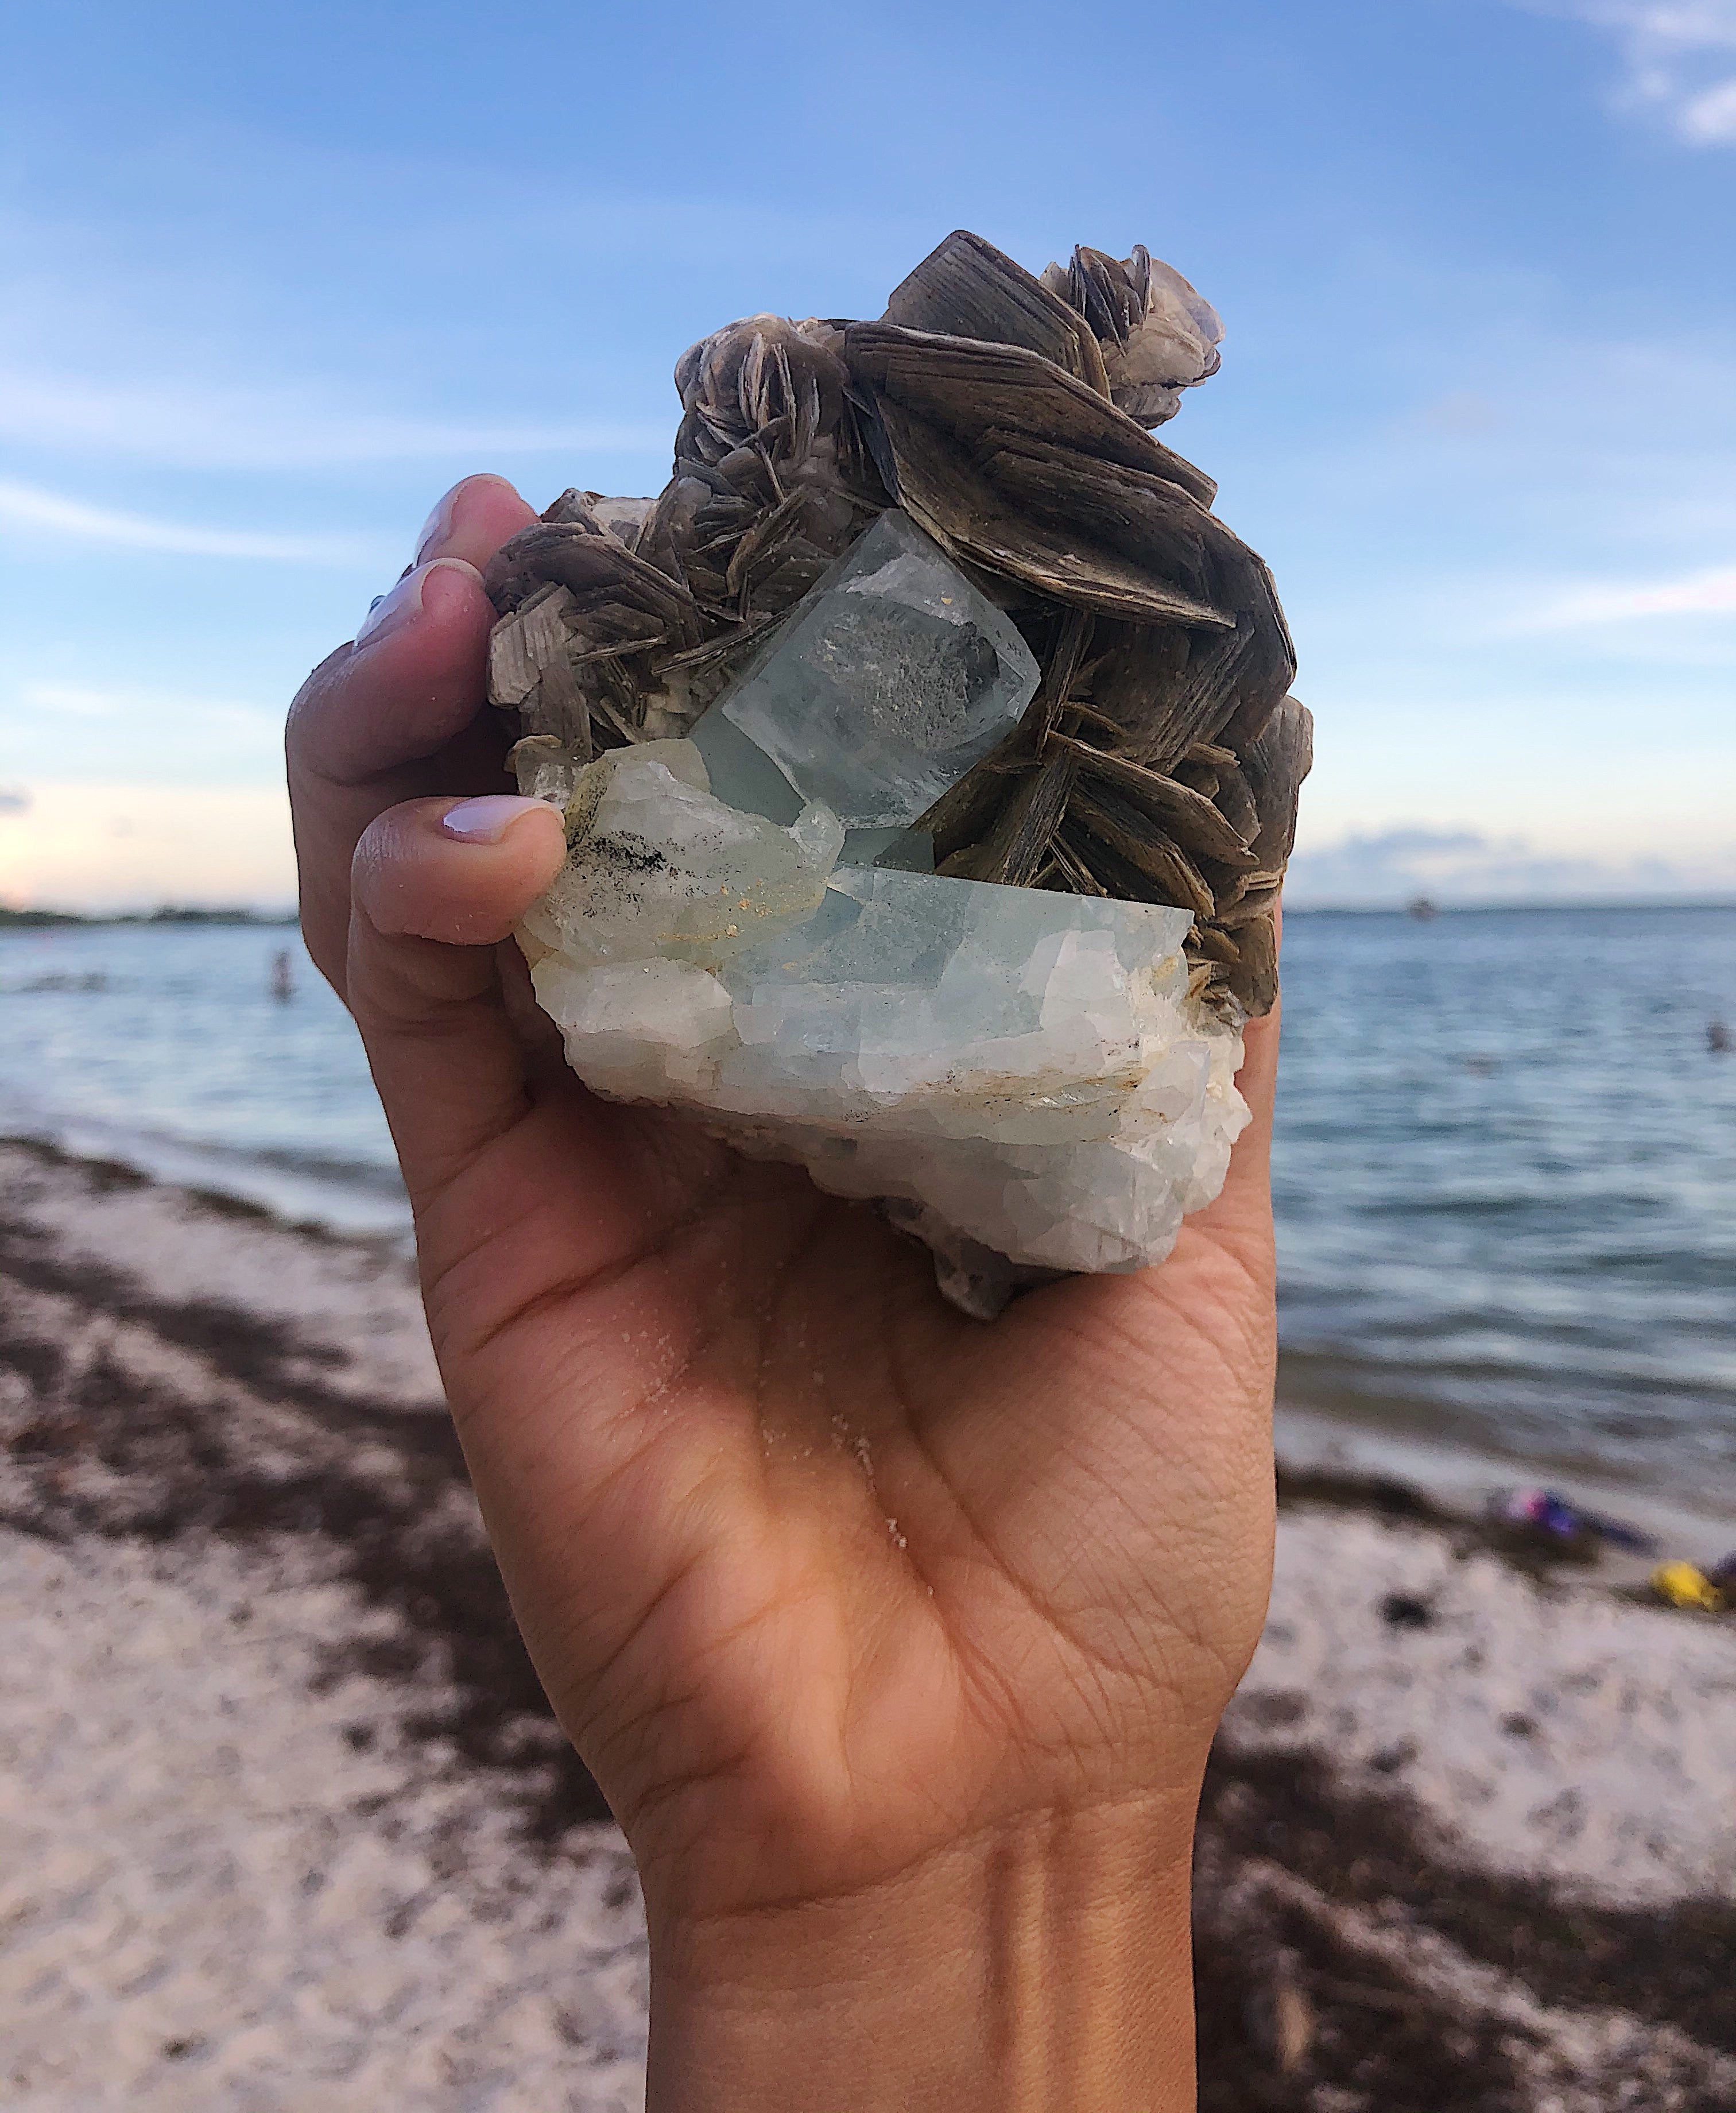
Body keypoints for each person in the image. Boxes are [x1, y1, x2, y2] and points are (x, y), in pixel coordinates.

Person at [286, 474, 1282, 2111]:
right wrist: (905, 1890)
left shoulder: (667, 941)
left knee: (642, 919)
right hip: (886, 1040)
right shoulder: (685, 939)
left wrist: (985, 1848)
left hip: (883, 1041)